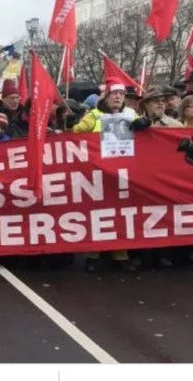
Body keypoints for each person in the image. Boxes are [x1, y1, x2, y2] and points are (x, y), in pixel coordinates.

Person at [73, 78, 145, 272]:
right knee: (98, 215)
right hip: (99, 173)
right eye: (115, 94)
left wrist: (145, 124)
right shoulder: (94, 115)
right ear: (106, 96)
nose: (119, 97)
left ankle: (120, 255)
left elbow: (145, 133)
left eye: (121, 94)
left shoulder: (131, 114)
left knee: (122, 215)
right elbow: (76, 134)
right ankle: (92, 256)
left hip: (124, 173)